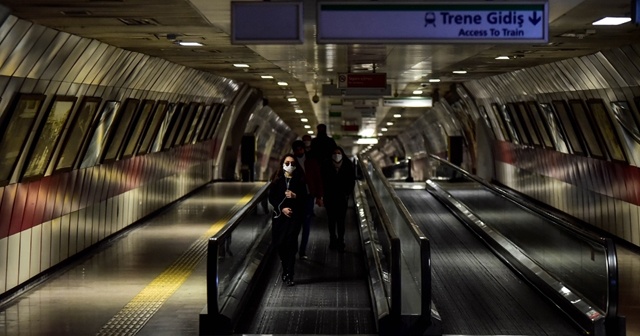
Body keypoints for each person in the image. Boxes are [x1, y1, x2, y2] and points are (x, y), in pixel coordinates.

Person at [268, 154, 308, 286]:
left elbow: (305, 198)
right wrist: (282, 209)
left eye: (292, 163)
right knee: (280, 244)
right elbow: (271, 198)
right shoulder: (277, 179)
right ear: (282, 164)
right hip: (280, 217)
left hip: (294, 217)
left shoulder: (300, 179)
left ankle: (289, 273)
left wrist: (295, 195)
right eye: (287, 163)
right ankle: (285, 266)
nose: (289, 166)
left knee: (291, 243)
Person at [291, 140, 324, 260]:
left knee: (306, 224)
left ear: (303, 149)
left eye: (301, 149)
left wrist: (319, 197)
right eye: (297, 150)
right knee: (295, 225)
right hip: (296, 198)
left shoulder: (311, 162)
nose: (299, 151)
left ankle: (302, 251)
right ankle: (294, 249)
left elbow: (318, 179)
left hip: (309, 196)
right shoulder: (291, 163)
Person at [321, 146, 355, 252]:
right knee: (331, 220)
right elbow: (322, 180)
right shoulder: (326, 164)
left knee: (341, 221)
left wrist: (347, 193)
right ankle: (332, 239)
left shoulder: (348, 165)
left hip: (341, 197)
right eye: (335, 153)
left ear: (342, 153)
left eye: (339, 153)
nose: (337, 155)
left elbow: (351, 181)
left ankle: (341, 240)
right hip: (329, 197)